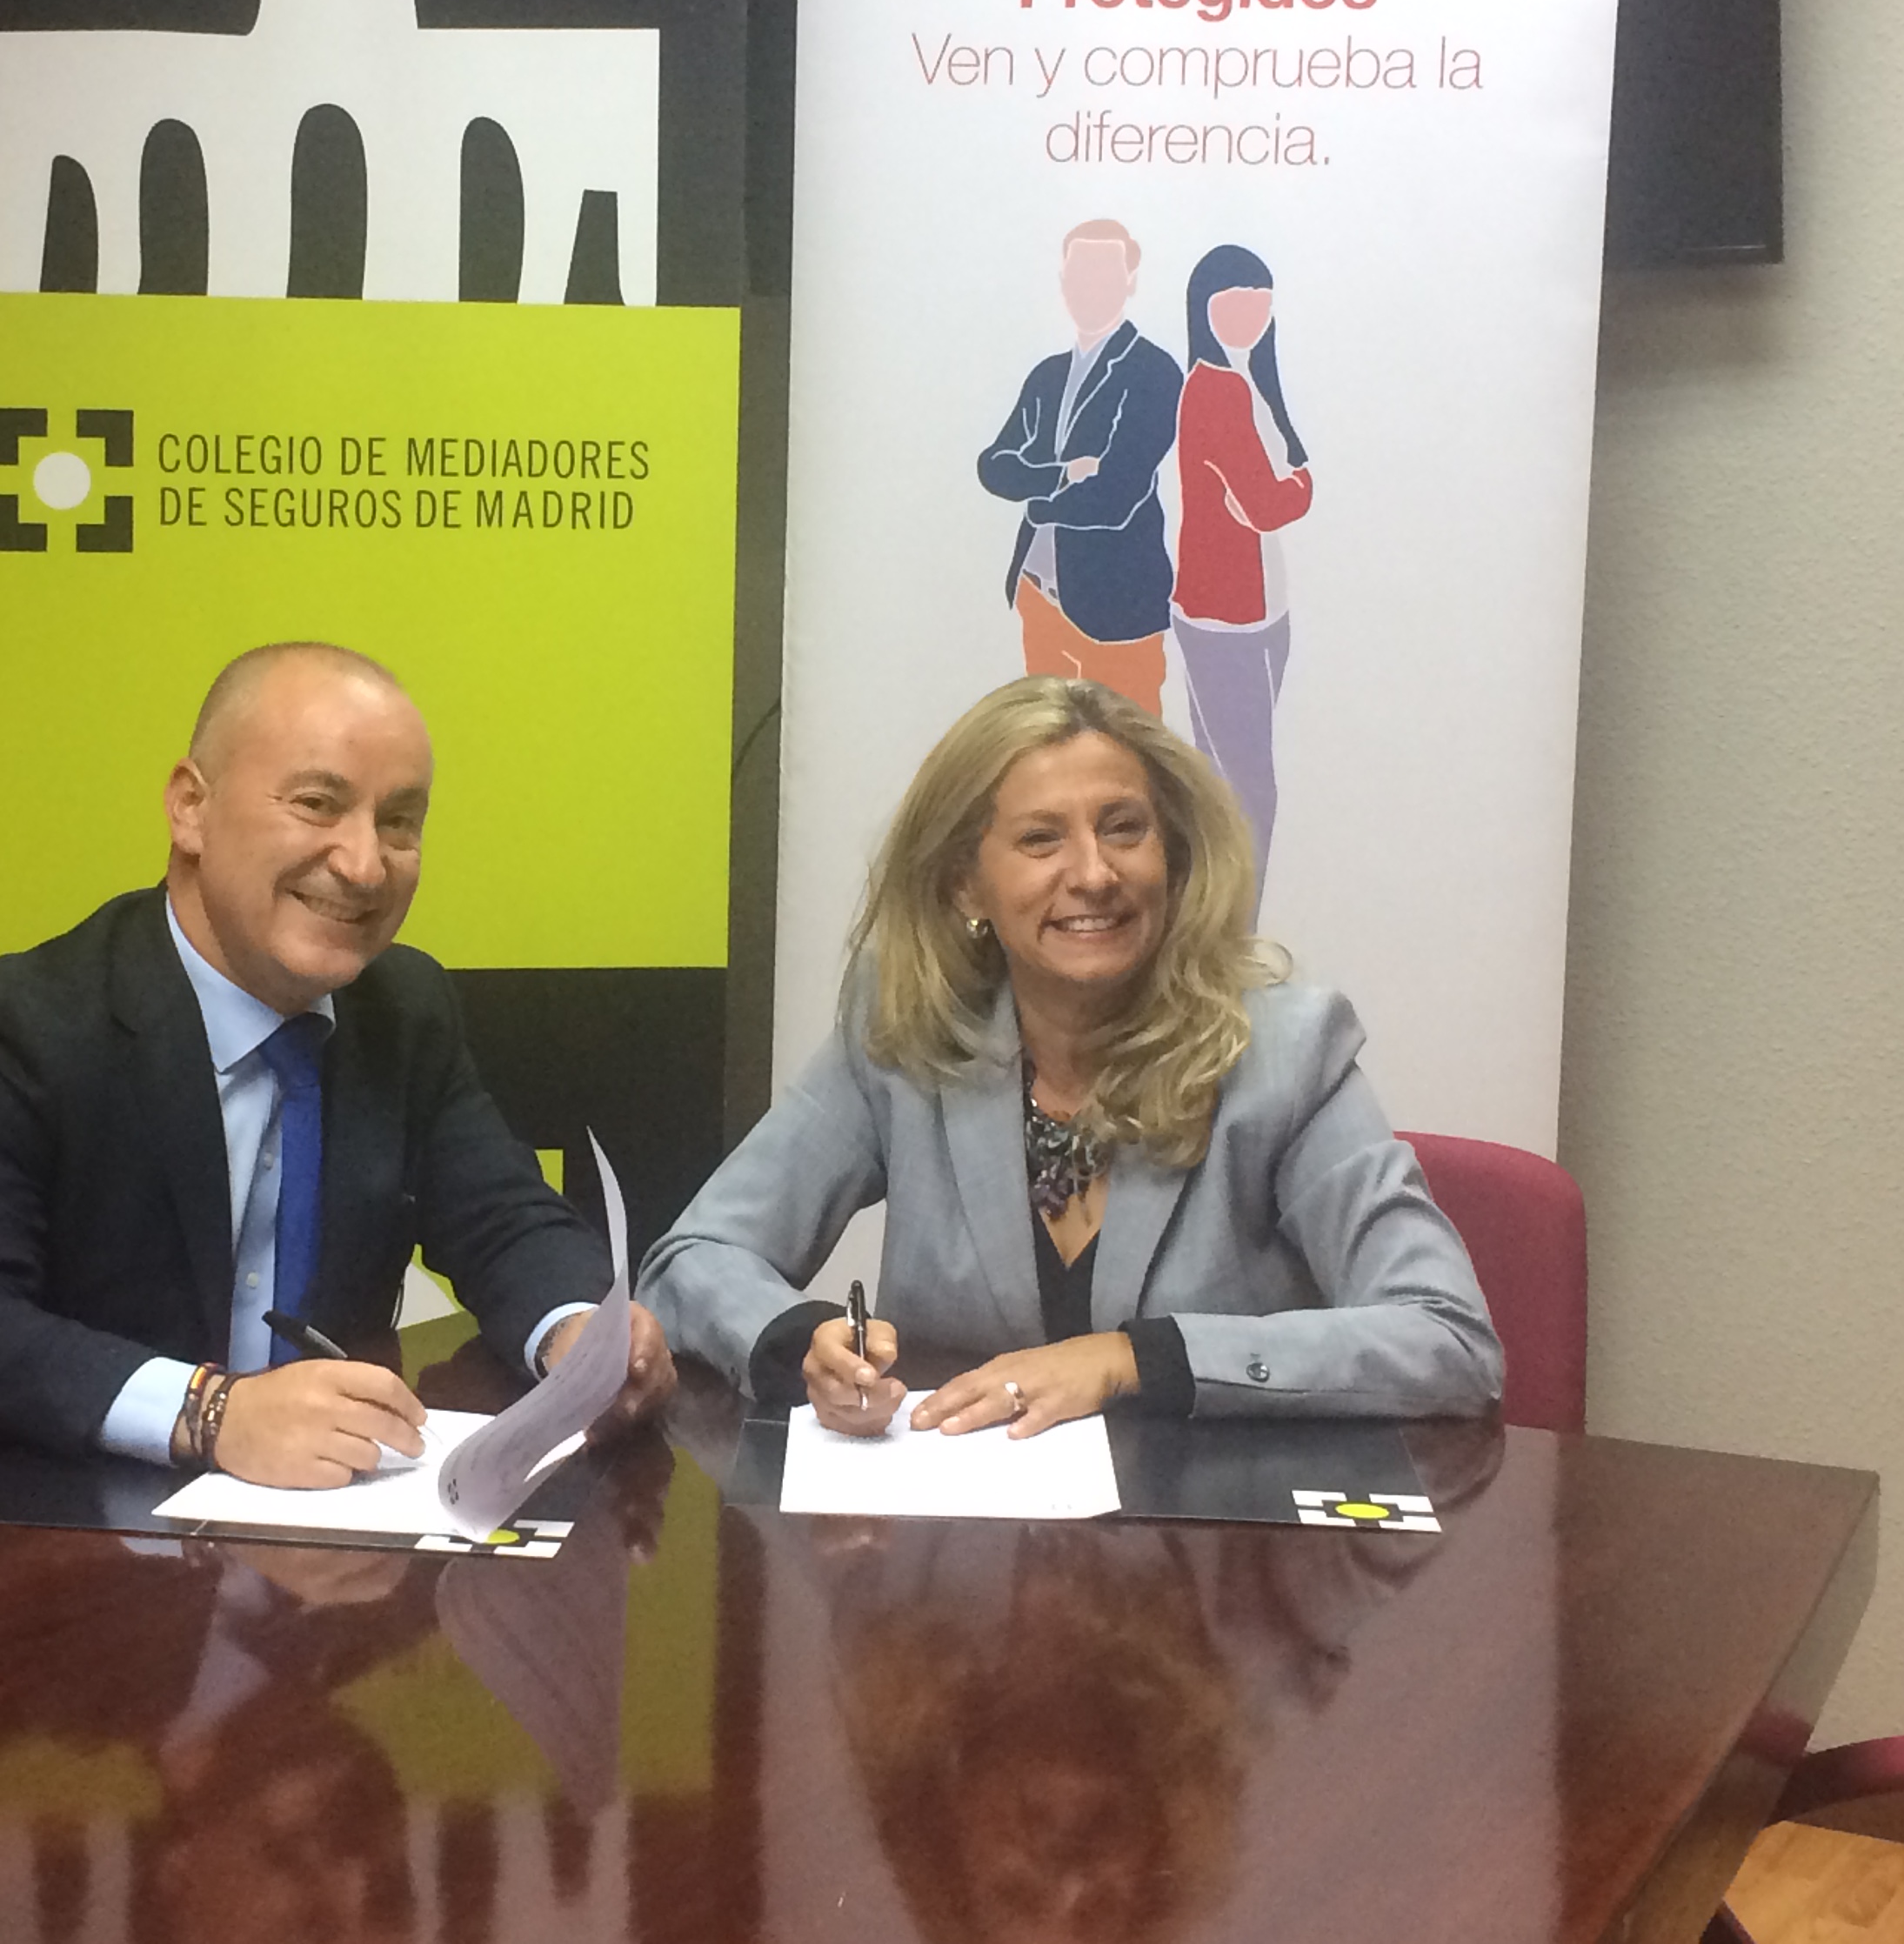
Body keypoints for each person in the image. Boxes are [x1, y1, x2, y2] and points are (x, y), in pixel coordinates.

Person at [0, 641, 676, 1490]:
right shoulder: (23, 1024)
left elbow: (502, 1221)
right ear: (190, 808)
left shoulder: (404, 1009)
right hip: (20, 1517)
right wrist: (213, 1412)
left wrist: (579, 1333)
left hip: (306, 1530)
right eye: (317, 805)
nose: (364, 865)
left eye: (399, 822)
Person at [638, 675, 1499, 1435]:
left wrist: (1135, 1360)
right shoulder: (909, 1034)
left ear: (1173, 857)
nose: (1094, 873)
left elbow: (1446, 1337)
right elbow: (693, 1259)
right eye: (1041, 840)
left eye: (1123, 829)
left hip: (1214, 1543)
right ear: (966, 883)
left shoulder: (1284, 1052)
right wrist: (804, 1346)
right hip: (963, 1541)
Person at [974, 220, 1184, 715]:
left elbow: (1117, 496)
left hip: (1118, 608)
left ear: (1130, 280)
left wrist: (1037, 504)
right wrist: (1063, 474)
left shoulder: (1152, 371)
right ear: (1062, 281)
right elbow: (993, 465)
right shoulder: (1047, 376)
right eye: (1078, 272)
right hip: (1039, 595)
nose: (1089, 285)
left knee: (1131, 750)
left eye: (1104, 271)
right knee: (1044, 743)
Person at [1169, 244, 1313, 910]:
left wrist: (1284, 487)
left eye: (1262, 305)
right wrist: (1299, 486)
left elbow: (1261, 498)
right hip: (1224, 618)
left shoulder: (1248, 381)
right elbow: (1265, 504)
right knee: (1248, 791)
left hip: (1260, 611)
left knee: (1228, 783)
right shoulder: (1215, 390)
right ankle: (1234, 935)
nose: (1252, 317)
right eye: (1235, 304)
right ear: (1204, 309)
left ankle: (1220, 930)